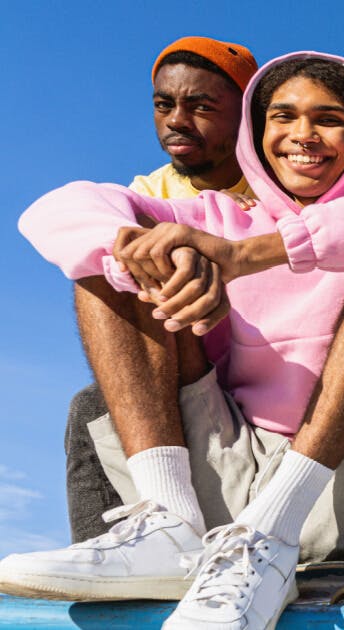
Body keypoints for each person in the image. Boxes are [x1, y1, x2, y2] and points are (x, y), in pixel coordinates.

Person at [4, 51, 344, 630]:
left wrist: (244, 256)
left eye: (327, 119)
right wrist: (161, 253)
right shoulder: (212, 216)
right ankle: (166, 524)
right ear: (258, 134)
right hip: (224, 468)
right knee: (124, 252)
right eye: (282, 117)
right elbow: (59, 206)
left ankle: (274, 532)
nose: (302, 136)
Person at [66, 35, 259, 543]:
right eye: (163, 104)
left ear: (247, 115)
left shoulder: (282, 181)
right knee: (91, 405)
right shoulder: (147, 192)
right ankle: (104, 554)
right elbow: (67, 216)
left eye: (201, 106)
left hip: (266, 379)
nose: (176, 119)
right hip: (187, 362)